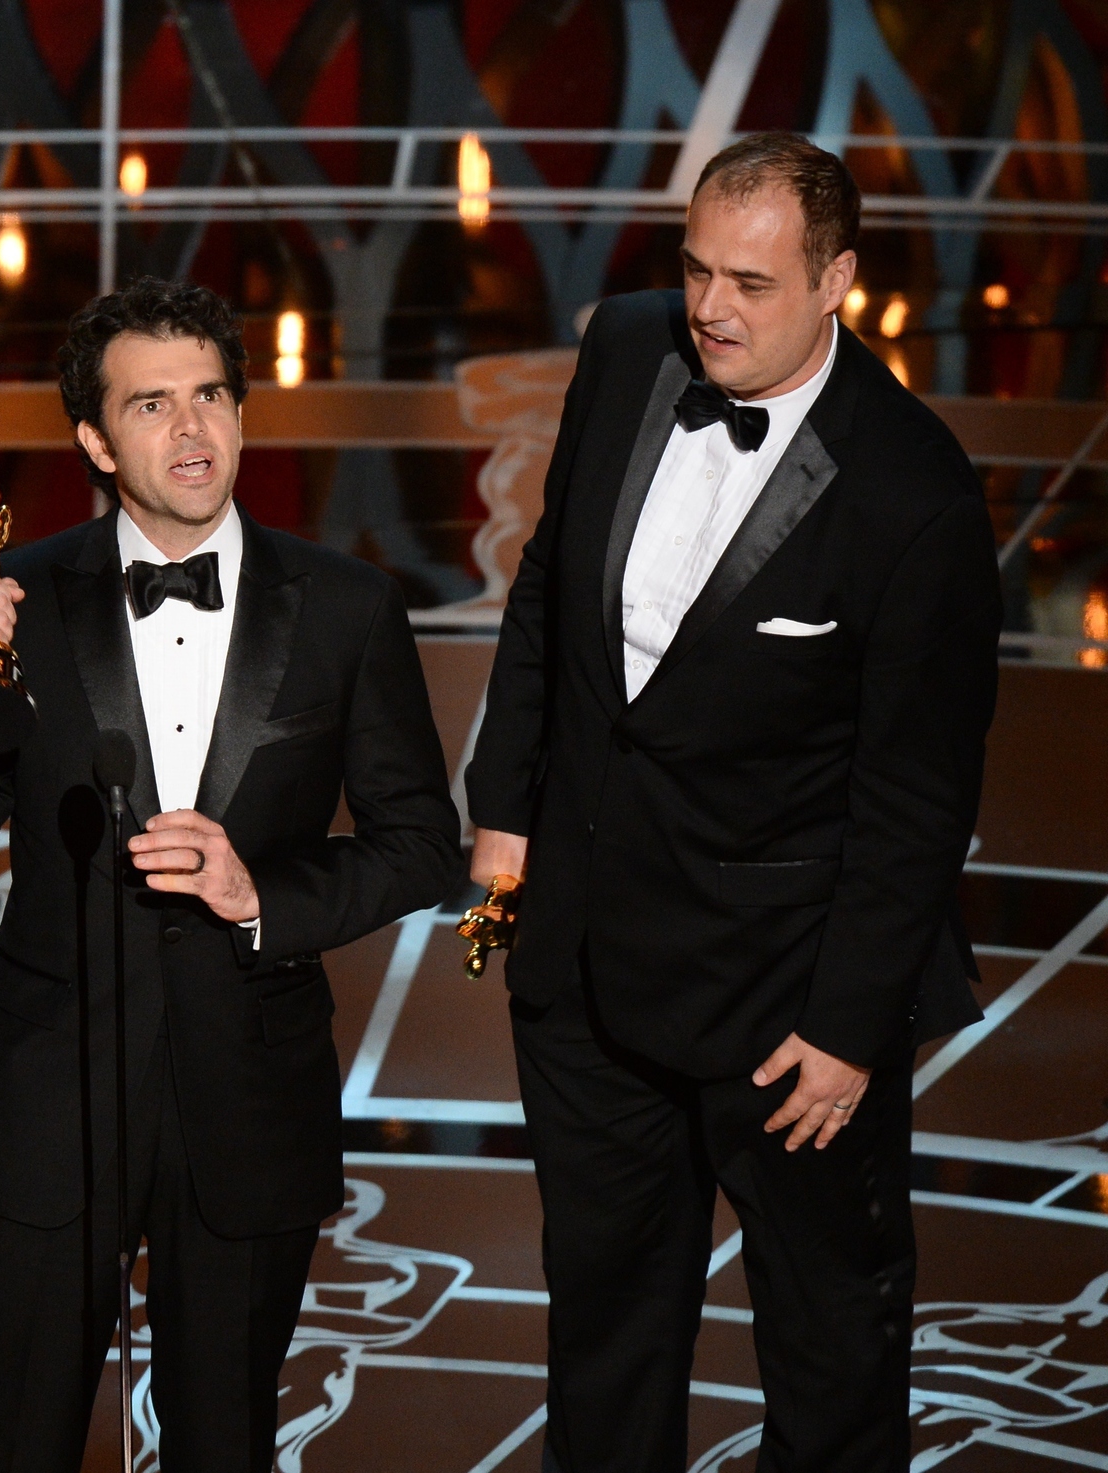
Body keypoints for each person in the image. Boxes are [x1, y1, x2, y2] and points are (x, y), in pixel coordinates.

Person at [464, 132, 1000, 1470]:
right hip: (583, 976)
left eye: (751, 284)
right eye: (698, 269)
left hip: (785, 1013)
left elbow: (916, 796)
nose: (712, 307)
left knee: (829, 1365)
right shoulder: (628, 346)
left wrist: (849, 1027)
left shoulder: (913, 490)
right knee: (606, 1336)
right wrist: (506, 807)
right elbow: (545, 589)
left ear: (839, 282)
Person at [0, 277, 463, 1472]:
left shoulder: (349, 608)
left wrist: (264, 894)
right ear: (95, 441)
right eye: (151, 406)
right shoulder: (23, 597)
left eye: (209, 395)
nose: (192, 431)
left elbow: (418, 845)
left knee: (223, 1445)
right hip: (50, 1092)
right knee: (5, 1440)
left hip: (249, 1097)